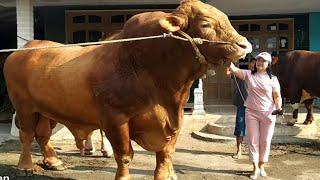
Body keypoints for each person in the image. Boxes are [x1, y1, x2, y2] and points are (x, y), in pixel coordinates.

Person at [228, 52, 283, 179]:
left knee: (265, 141)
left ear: (268, 64)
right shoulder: (249, 74)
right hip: (251, 112)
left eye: (263, 61)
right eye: (258, 60)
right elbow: (234, 69)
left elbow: (277, 96)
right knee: (253, 141)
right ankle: (255, 168)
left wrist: (279, 107)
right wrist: (227, 57)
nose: (260, 62)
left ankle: (262, 165)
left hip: (269, 114)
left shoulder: (273, 79)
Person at [231, 58, 256, 159]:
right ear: (249, 64)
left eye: (256, 64)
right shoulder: (242, 74)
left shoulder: (258, 76)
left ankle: (253, 152)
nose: (254, 66)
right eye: (253, 63)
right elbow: (229, 72)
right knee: (240, 129)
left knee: (254, 131)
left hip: (254, 107)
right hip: (242, 105)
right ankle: (239, 151)